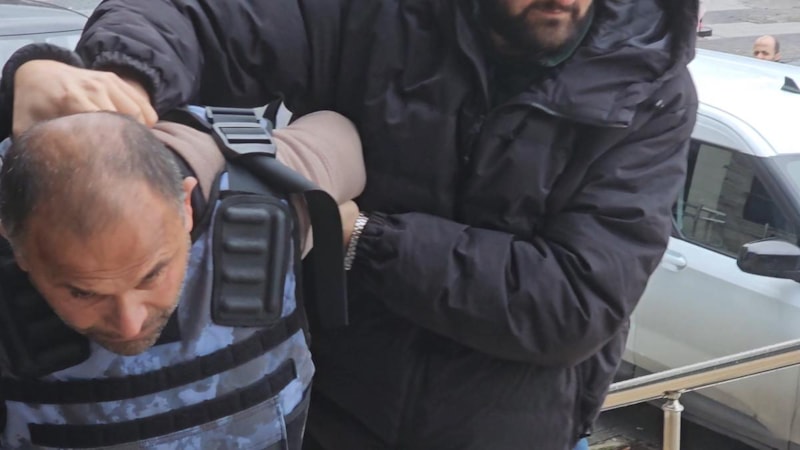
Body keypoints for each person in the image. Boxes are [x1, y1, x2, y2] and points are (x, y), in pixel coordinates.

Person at [0, 0, 700, 448]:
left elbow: (576, 302)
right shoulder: (372, 15)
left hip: (515, 432)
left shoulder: (653, 88)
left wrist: (361, 239)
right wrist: (118, 80)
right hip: (332, 412)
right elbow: (200, 17)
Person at [0, 110, 365, 449]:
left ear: (186, 206)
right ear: (15, 244)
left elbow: (348, 137)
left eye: (151, 275)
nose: (130, 325)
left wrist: (338, 224)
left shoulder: (262, 200)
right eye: (83, 293)